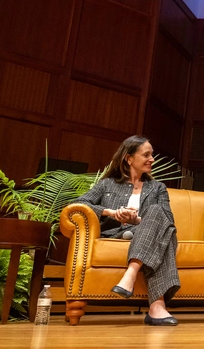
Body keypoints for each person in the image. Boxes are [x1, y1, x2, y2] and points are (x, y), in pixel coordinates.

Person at [76, 135, 180, 326]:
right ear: (129, 158)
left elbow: (167, 220)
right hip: (117, 234)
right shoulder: (107, 184)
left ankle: (130, 274)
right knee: (165, 238)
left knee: (158, 214)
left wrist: (138, 219)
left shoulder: (157, 188)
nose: (152, 159)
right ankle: (157, 306)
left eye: (152, 155)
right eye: (146, 155)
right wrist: (113, 213)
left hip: (145, 233)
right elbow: (78, 203)